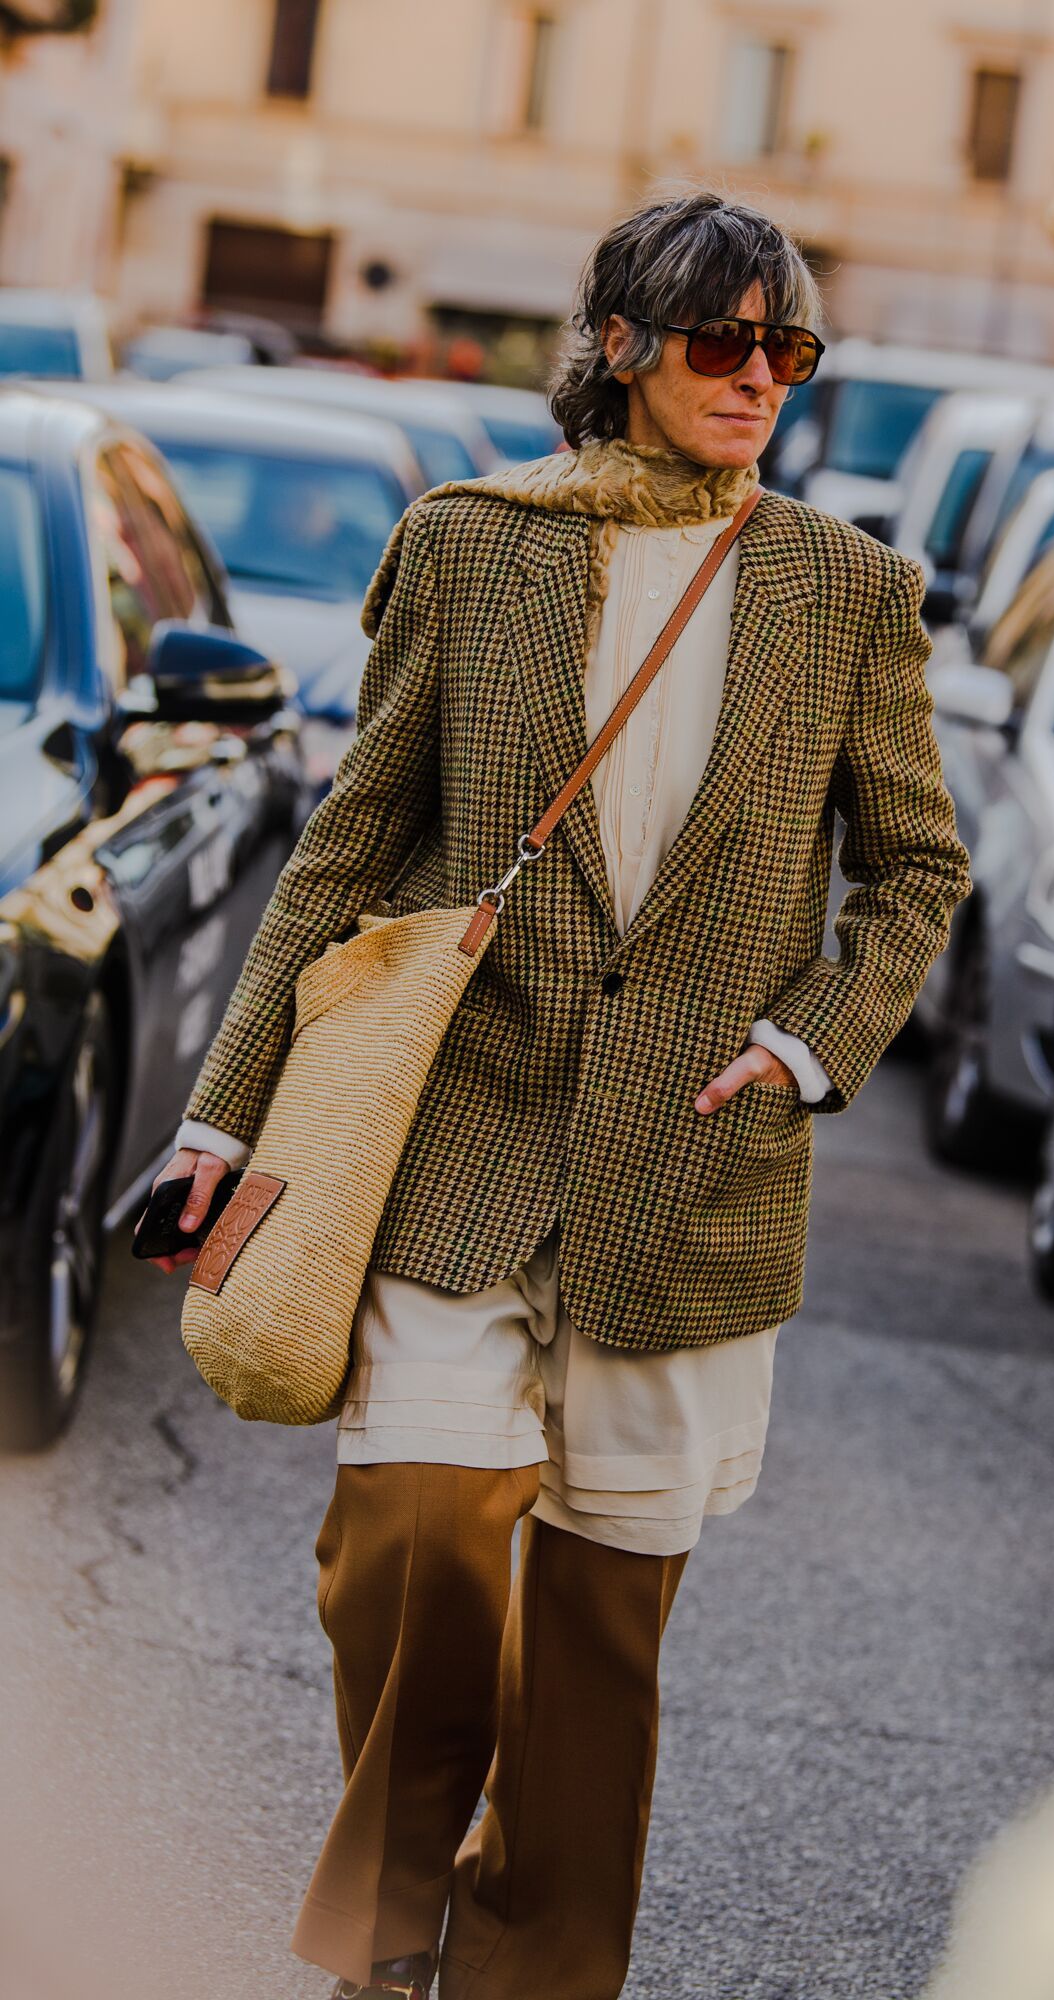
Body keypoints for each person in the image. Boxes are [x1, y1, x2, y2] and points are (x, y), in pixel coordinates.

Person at [145, 190, 972, 1999]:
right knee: (416, 1538)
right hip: (467, 1135)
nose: (759, 377)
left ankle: (535, 1976)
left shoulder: (849, 592)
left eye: (787, 348)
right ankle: (383, 1924)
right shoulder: (471, 548)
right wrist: (224, 1115)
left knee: (601, 1630)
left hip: (693, 1167)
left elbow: (918, 870)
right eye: (719, 341)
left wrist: (811, 1044)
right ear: (617, 347)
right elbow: (345, 846)